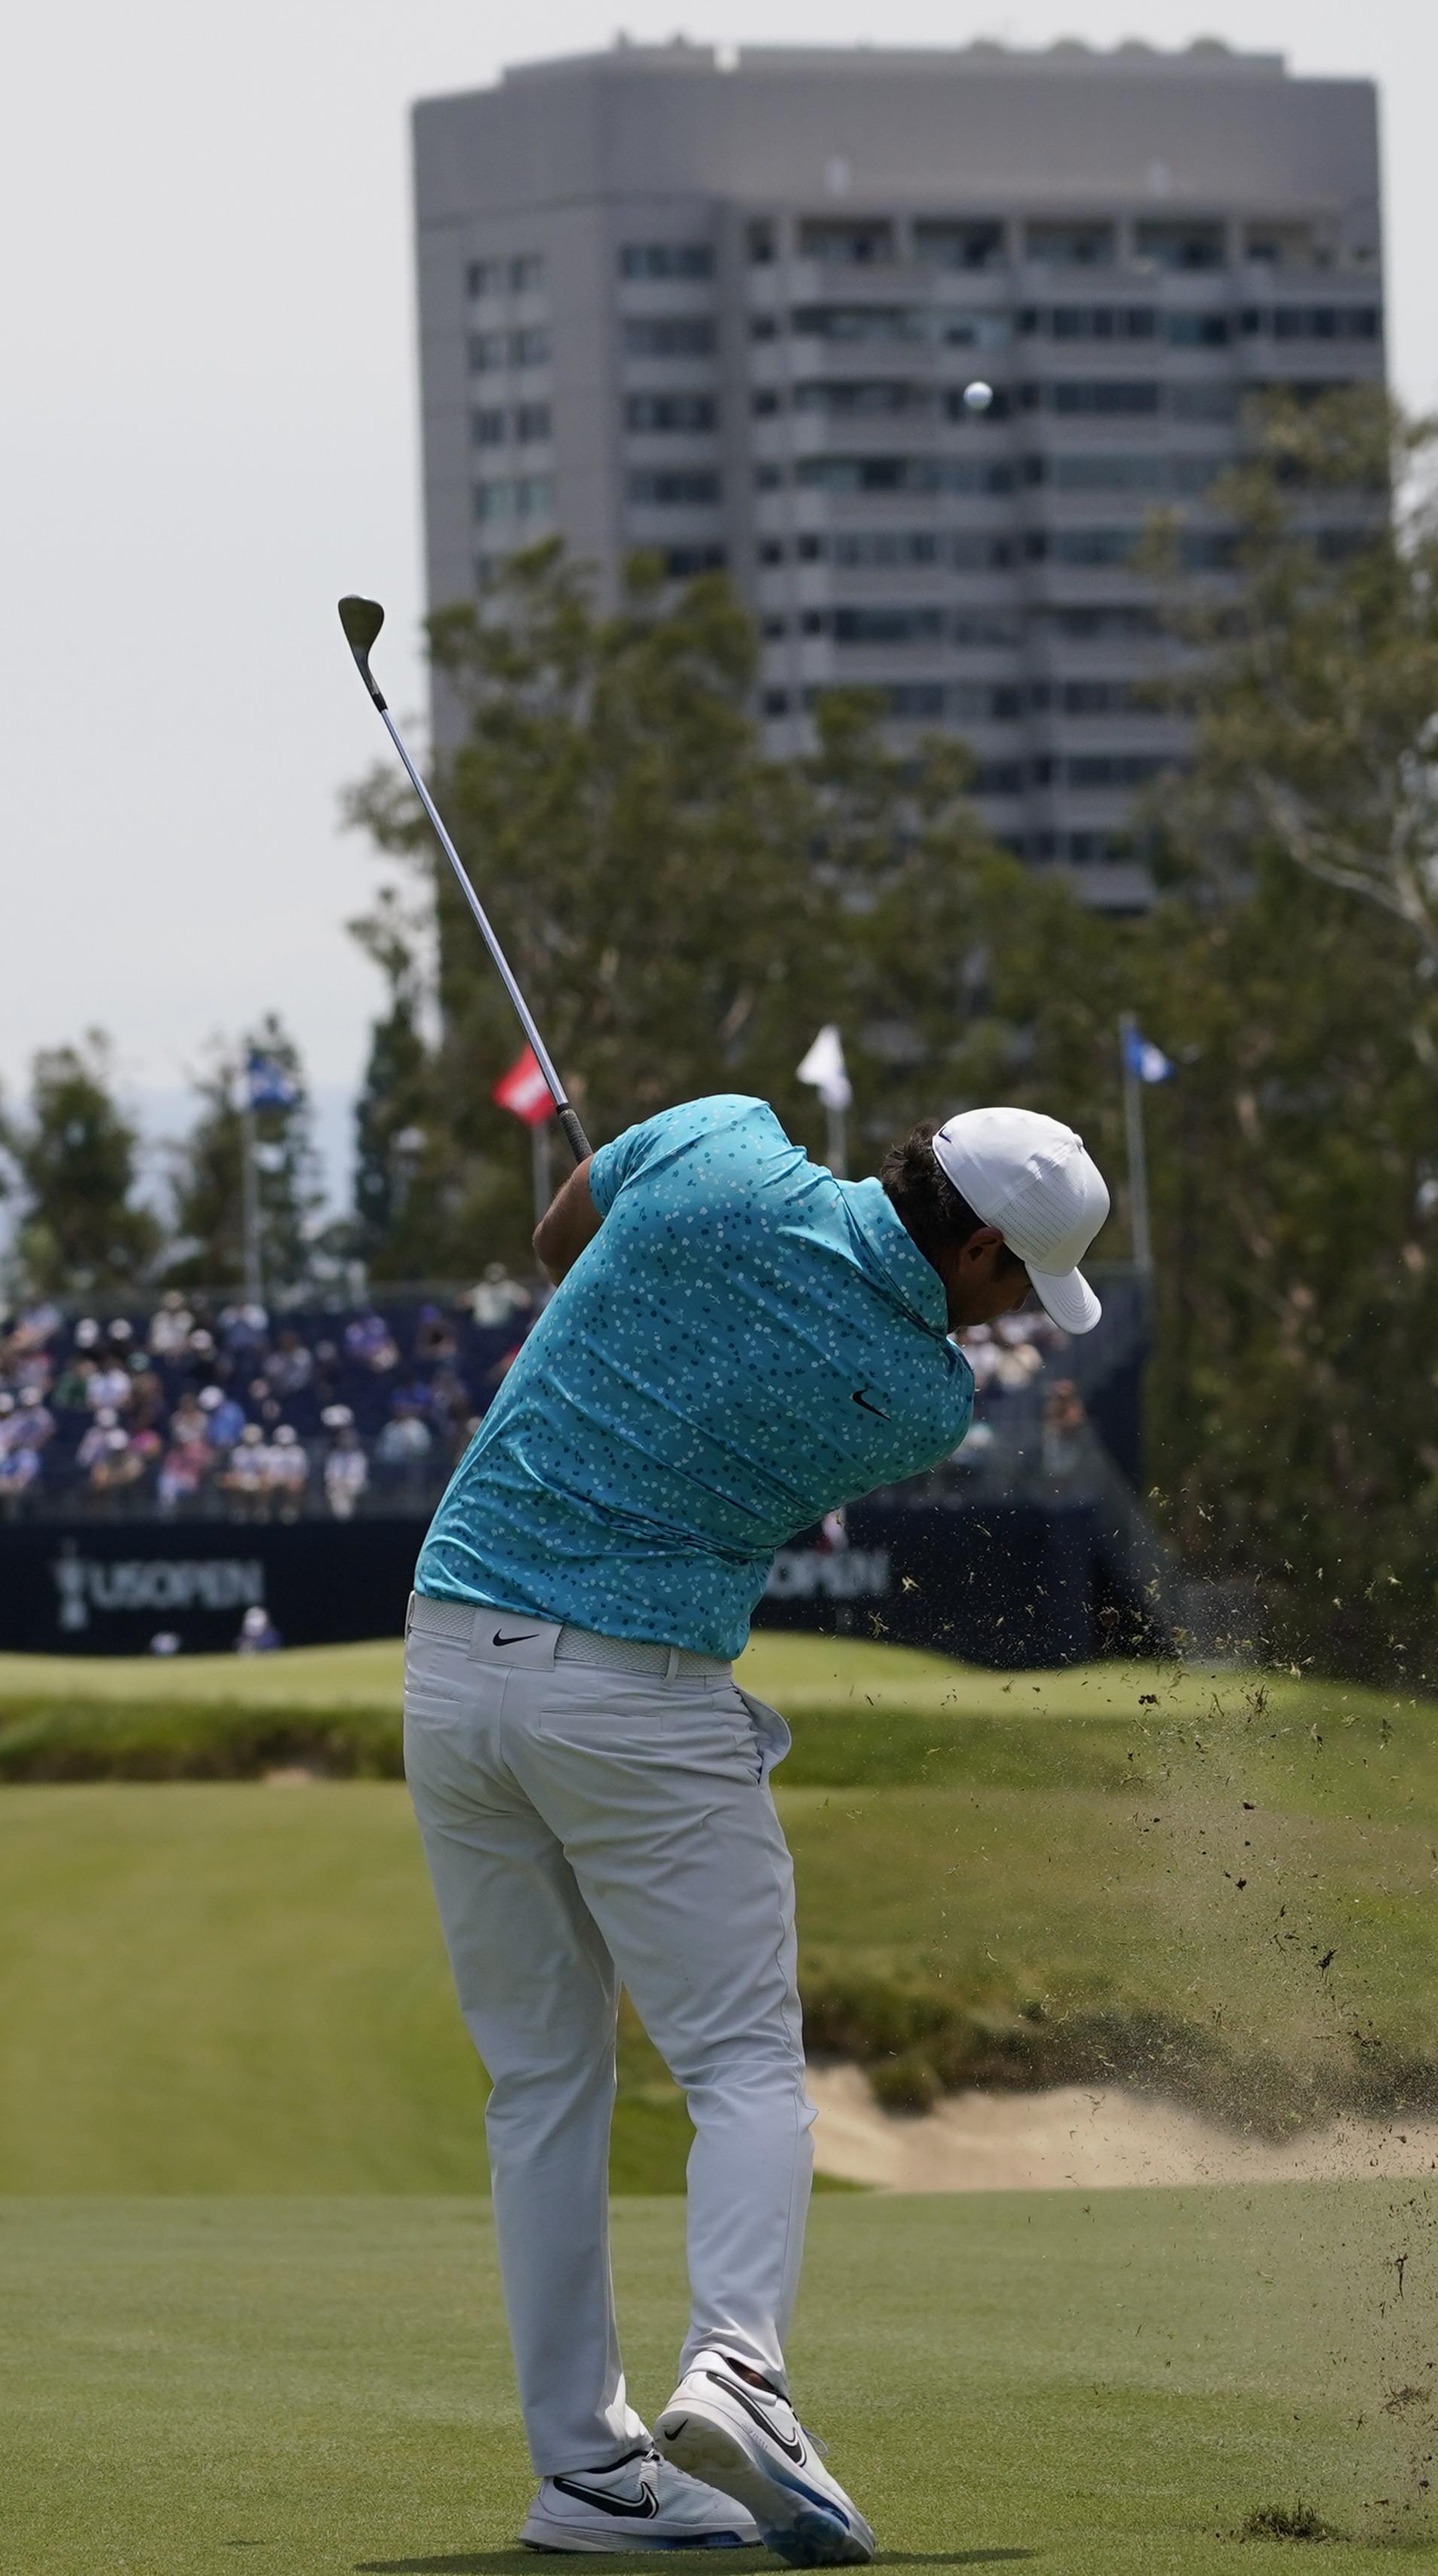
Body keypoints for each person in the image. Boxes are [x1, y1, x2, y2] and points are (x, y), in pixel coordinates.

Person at [402, 1096, 1110, 2561]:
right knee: (738, 2066)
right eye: (1010, 1285)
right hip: (632, 1689)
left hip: (449, 1650)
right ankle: (738, 2362)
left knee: (540, 2083)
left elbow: (558, 1241)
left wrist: (659, 1222)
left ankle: (585, 2476)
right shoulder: (919, 1397)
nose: (1000, 1323)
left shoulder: (721, 1136)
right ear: (975, 1243)